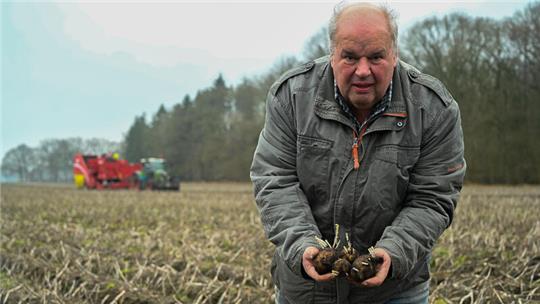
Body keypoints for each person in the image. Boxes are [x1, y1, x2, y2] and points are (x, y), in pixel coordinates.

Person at [250, 2, 466, 304]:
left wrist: (392, 252)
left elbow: (432, 198)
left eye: (376, 56)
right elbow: (275, 181)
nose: (363, 71)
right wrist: (304, 246)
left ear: (394, 54)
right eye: (350, 57)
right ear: (332, 53)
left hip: (394, 292)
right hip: (305, 292)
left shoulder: (433, 109)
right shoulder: (292, 97)